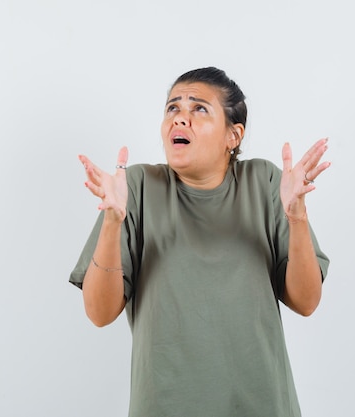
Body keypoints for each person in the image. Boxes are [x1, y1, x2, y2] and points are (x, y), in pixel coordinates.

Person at [69, 67, 330, 417]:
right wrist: (113, 222)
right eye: (173, 108)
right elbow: (99, 314)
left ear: (232, 136)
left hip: (261, 404)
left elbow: (306, 301)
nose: (180, 119)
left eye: (199, 109)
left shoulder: (265, 182)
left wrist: (297, 217)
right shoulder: (135, 188)